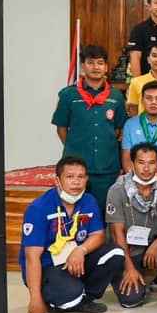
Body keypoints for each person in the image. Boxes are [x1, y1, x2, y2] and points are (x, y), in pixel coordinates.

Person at [21, 157, 125, 313]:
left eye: (81, 177)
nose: (76, 182)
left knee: (116, 253)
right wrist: (35, 298)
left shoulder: (88, 201)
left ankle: (85, 299)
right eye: (70, 177)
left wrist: (80, 250)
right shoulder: (39, 208)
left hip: (76, 260)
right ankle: (53, 300)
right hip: (48, 267)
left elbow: (98, 235)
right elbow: (32, 257)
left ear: (86, 179)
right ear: (57, 180)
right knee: (69, 296)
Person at [52, 45, 127, 210]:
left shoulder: (116, 96)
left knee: (104, 212)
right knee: (74, 210)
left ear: (106, 67)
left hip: (106, 168)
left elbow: (118, 130)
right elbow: (61, 128)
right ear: (83, 66)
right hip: (76, 167)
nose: (95, 67)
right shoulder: (68, 95)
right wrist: (75, 146)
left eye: (100, 63)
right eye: (90, 63)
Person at [106, 143, 157, 308]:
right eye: (141, 162)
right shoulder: (117, 190)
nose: (146, 169)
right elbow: (117, 234)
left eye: (151, 163)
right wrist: (129, 268)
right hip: (127, 252)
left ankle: (152, 276)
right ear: (132, 164)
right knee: (131, 299)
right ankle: (137, 276)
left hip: (153, 249)